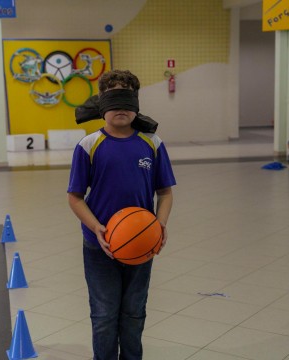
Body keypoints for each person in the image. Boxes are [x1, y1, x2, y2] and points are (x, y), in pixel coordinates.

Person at [67, 69, 176, 359]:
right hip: (98, 244)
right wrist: (97, 228)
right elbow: (75, 198)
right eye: (113, 101)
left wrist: (160, 224)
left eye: (127, 101)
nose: (121, 108)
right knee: (103, 315)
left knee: (134, 312)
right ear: (101, 104)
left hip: (141, 244)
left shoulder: (152, 143)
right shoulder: (89, 145)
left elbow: (165, 192)